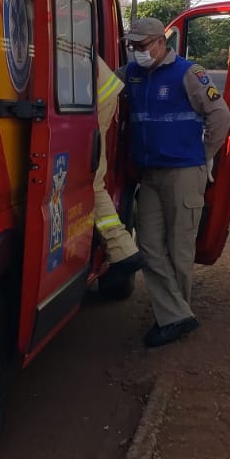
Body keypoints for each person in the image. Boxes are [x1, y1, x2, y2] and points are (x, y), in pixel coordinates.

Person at [120, 16, 230, 348]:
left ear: (159, 42)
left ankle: (173, 318)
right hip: (150, 174)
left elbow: (220, 115)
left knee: (179, 248)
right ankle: (177, 315)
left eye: (141, 45)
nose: (136, 51)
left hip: (184, 173)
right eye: (132, 46)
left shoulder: (188, 72)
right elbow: (102, 85)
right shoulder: (132, 74)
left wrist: (203, 153)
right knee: (149, 245)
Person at [93, 54, 142, 287]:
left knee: (91, 181)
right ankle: (123, 248)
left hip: (100, 95)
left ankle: (122, 250)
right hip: (103, 90)